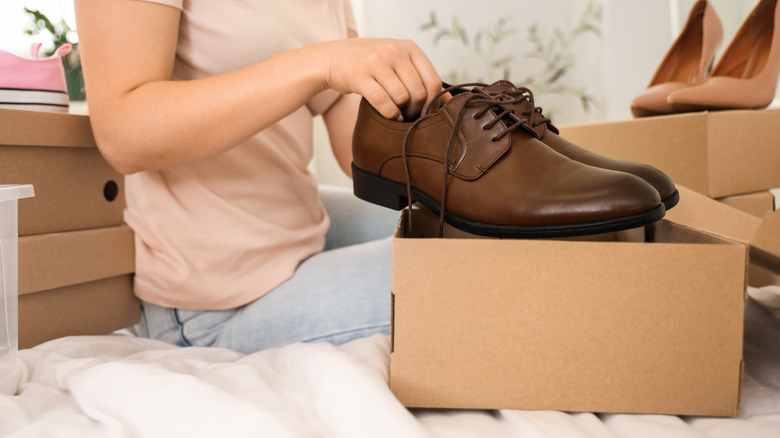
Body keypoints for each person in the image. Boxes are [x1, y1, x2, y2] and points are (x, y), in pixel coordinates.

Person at [73, 0, 443, 353]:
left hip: (297, 222)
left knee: (477, 232)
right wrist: (322, 62)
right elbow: (123, 133)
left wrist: (433, 133)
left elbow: (353, 143)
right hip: (212, 298)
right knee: (477, 271)